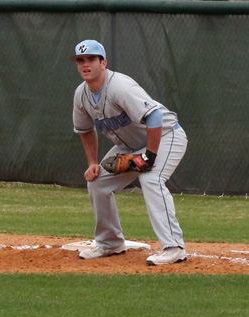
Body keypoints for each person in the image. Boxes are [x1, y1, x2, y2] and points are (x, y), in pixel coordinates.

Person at [71, 39, 188, 265]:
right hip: (130, 147)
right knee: (97, 182)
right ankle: (110, 243)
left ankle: (174, 247)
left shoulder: (119, 86)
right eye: (80, 60)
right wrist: (93, 162)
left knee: (151, 177)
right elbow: (85, 129)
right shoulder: (81, 95)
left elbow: (154, 116)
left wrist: (149, 157)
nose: (86, 64)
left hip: (166, 136)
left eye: (91, 59)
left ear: (103, 63)